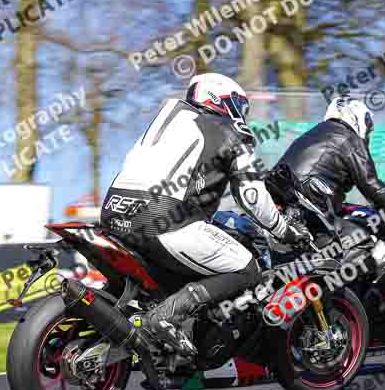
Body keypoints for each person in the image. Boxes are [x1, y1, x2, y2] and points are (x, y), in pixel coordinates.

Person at [99, 73, 310, 356]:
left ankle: (157, 324)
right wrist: (283, 229)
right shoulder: (228, 130)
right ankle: (165, 317)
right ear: (221, 100)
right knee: (248, 269)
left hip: (113, 211)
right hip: (163, 219)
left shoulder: (168, 117)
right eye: (238, 105)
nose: (241, 114)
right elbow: (251, 196)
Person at [275, 96, 385, 241]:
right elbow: (370, 185)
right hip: (311, 207)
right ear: (357, 117)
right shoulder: (348, 138)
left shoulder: (314, 133)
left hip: (286, 203)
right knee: (363, 238)